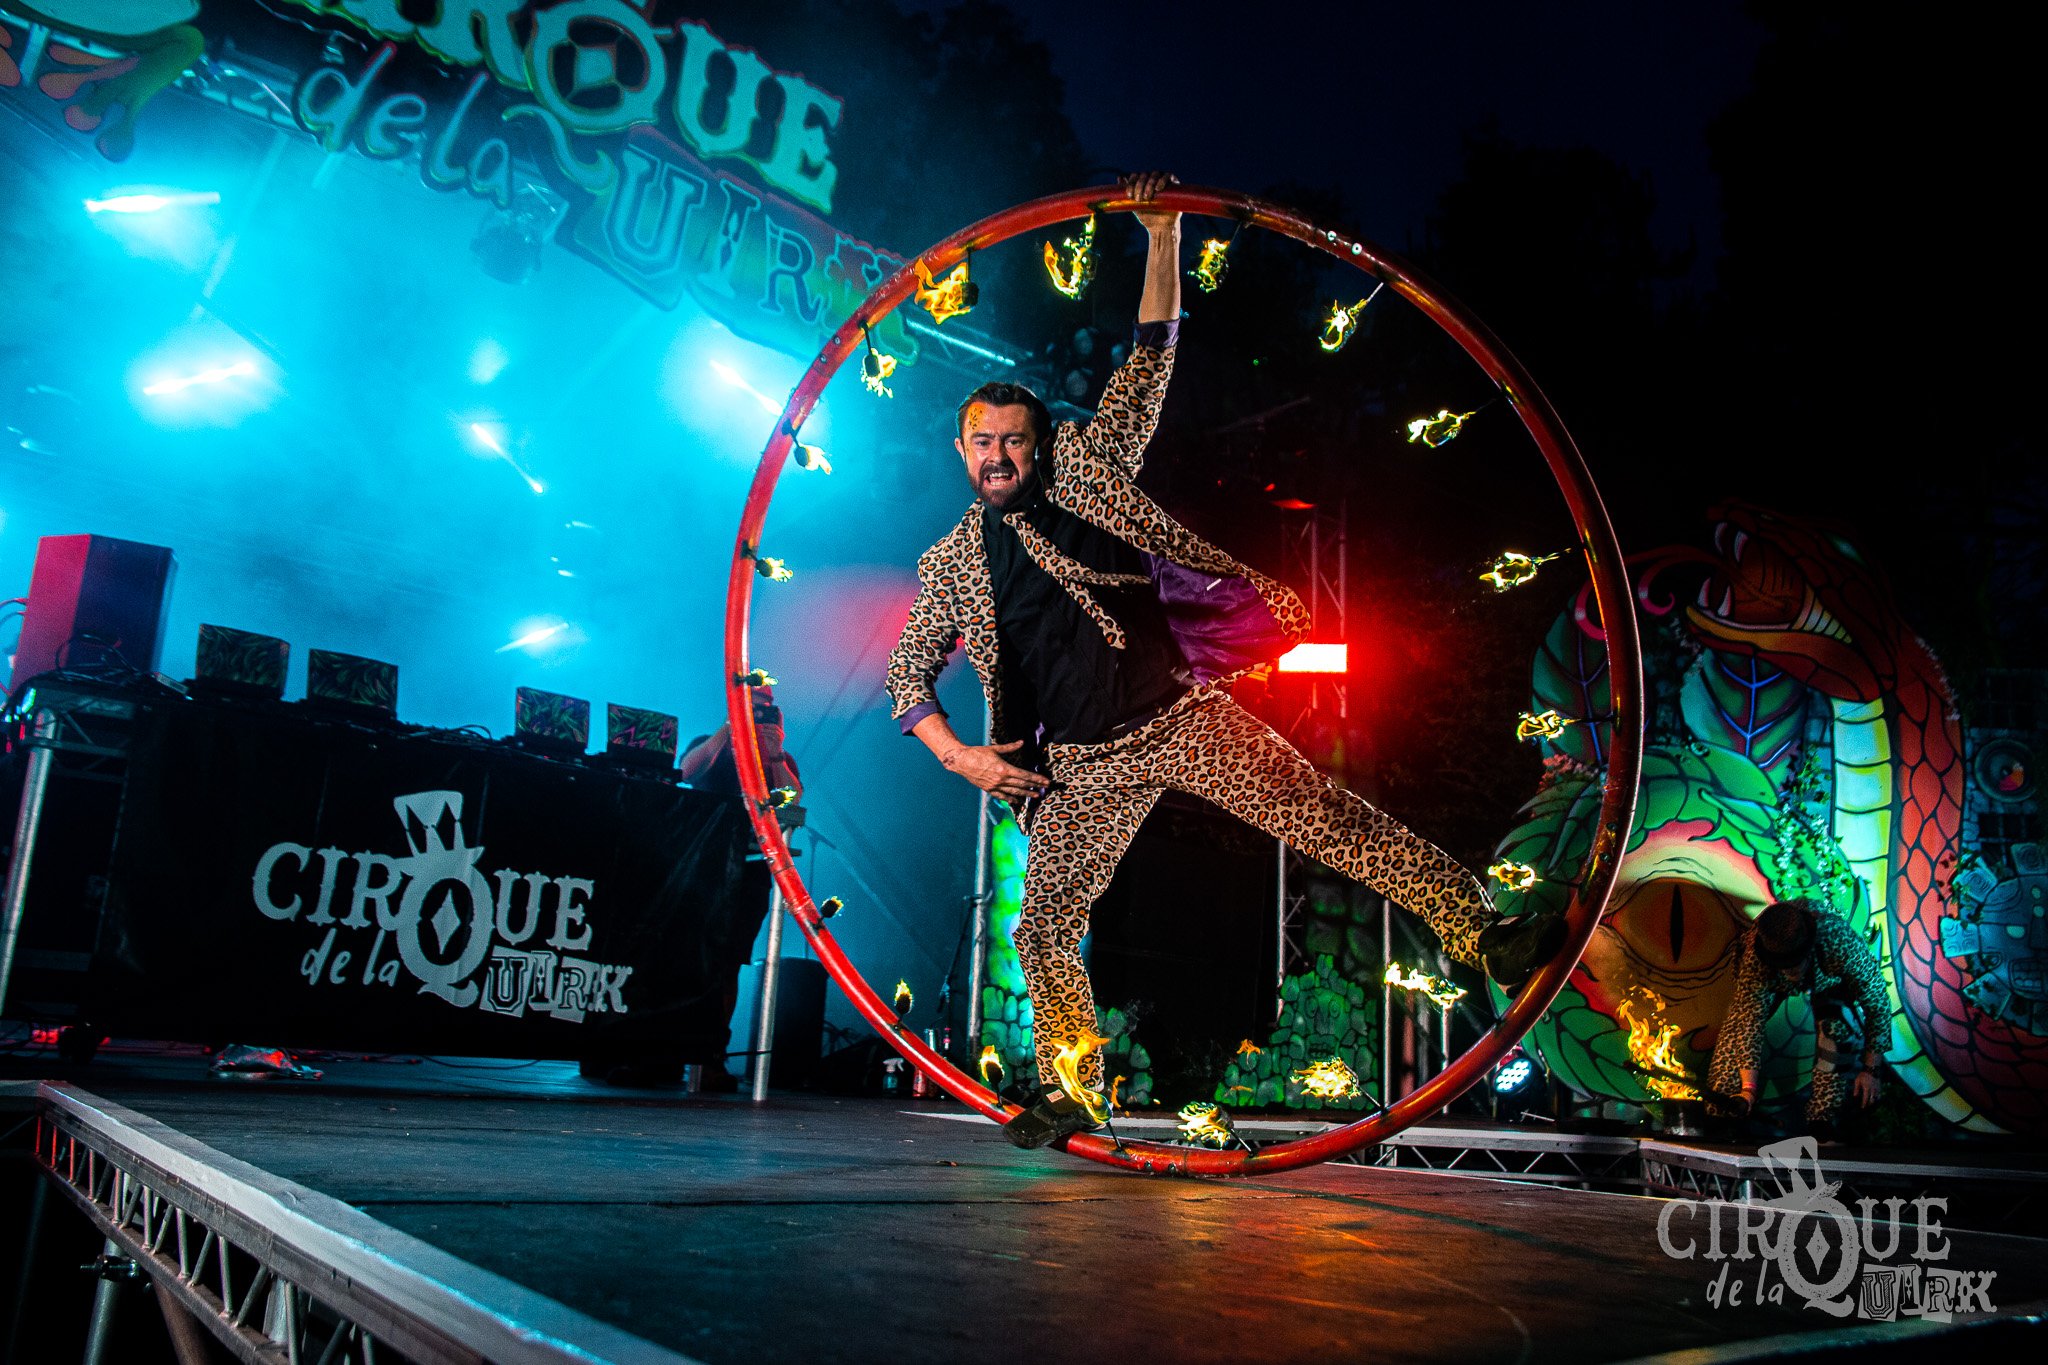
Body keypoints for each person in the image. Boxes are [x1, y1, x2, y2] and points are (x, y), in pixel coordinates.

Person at [883, 172, 1564, 1147]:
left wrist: (1161, 236)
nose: (999, 456)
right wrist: (964, 758)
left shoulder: (1088, 472)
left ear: (1043, 445)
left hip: (1177, 715)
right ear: (961, 451)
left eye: (1015, 441)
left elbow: (1148, 361)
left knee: (1321, 811)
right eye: (982, 442)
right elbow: (905, 675)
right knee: (1042, 924)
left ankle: (1482, 929)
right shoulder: (951, 564)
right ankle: (1075, 1086)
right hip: (1078, 766)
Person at [674, 687, 804, 1091]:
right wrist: (731, 728)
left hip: (747, 872)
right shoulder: (710, 743)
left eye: (766, 707)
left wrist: (774, 752)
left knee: (727, 963)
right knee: (679, 956)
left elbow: (792, 802)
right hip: (699, 867)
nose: (759, 712)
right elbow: (686, 772)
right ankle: (660, 1052)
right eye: (752, 704)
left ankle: (710, 1054)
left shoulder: (779, 758)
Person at [1706, 899, 1890, 1139]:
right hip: (1770, 980)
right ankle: (1724, 1120)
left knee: (1836, 1030)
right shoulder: (1754, 956)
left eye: (1796, 962)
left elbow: (1877, 1000)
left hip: (1829, 982)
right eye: (1785, 965)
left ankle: (1823, 1121)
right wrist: (1747, 1090)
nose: (1792, 971)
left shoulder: (1837, 940)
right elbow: (1748, 1024)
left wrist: (1871, 1070)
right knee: (1735, 1034)